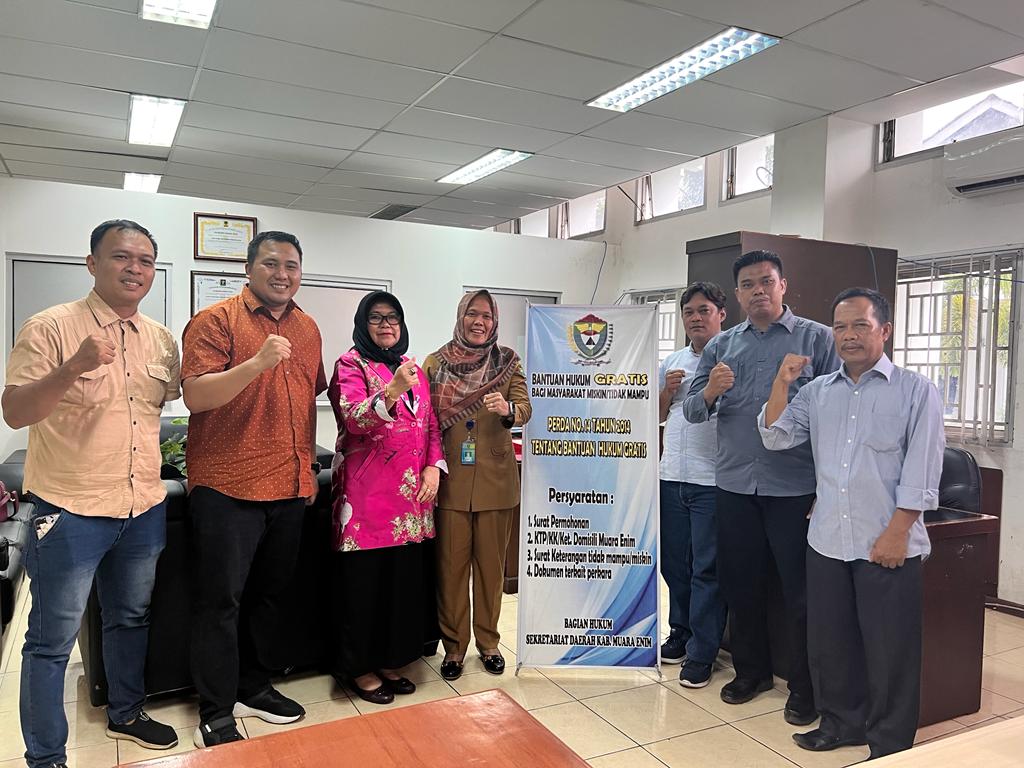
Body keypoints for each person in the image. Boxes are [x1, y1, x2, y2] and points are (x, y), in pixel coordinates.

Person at [3, 220, 180, 767]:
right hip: (69, 509)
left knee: (130, 618)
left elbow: (163, 405)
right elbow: (15, 412)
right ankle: (46, 758)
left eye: (145, 260)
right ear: (92, 263)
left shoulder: (160, 338)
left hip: (142, 505)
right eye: (122, 256)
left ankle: (126, 713)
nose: (134, 268)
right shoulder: (50, 327)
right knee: (50, 641)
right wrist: (73, 367)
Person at [761, 288, 943, 759]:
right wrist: (782, 382)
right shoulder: (819, 392)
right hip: (827, 540)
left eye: (860, 325)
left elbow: (922, 470)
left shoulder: (915, 391)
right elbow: (776, 436)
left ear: (885, 331)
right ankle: (841, 724)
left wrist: (898, 533)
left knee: (889, 650)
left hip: (887, 542)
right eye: (840, 327)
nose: (848, 336)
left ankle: (890, 743)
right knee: (831, 643)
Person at [182, 231, 326, 748]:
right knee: (220, 603)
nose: (282, 274)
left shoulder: (308, 327)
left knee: (269, 597)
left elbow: (306, 402)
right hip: (228, 485)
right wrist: (257, 362)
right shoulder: (216, 320)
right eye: (270, 263)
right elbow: (196, 396)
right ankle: (216, 710)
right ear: (248, 269)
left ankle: (254, 686)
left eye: (292, 265)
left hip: (287, 485)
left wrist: (308, 467)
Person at [683, 250, 840, 724]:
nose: (758, 291)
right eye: (748, 285)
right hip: (735, 485)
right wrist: (710, 390)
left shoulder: (819, 339)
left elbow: (837, 416)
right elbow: (691, 411)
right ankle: (751, 673)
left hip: (795, 489)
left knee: (800, 593)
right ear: (737, 294)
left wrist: (827, 487)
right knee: (741, 586)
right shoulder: (722, 345)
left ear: (783, 285)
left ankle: (805, 687)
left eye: (766, 281)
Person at [327, 291, 445, 704]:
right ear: (363, 324)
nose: (386, 325)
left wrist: (434, 466)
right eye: (376, 318)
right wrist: (391, 391)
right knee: (365, 588)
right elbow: (354, 420)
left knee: (400, 587)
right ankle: (360, 668)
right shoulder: (350, 365)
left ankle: (391, 660)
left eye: (393, 317)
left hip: (411, 500)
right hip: (367, 498)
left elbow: (430, 426)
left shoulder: (413, 368)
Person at [423, 290, 531, 681]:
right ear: (460, 316)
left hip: (496, 481)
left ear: (495, 321)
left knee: (490, 571)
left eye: (486, 315)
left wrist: (509, 410)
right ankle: (454, 647)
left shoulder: (508, 361)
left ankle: (489, 644)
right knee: (451, 570)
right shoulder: (435, 363)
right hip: (451, 481)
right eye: (472, 313)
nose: (479, 322)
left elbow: (525, 407)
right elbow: (425, 420)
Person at [658, 282, 728, 688]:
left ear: (721, 314)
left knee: (706, 570)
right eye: (689, 312)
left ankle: (703, 652)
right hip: (671, 476)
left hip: (711, 481)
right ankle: (680, 633)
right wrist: (667, 390)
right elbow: (656, 415)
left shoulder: (730, 358)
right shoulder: (674, 361)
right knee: (674, 565)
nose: (696, 318)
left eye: (704, 310)